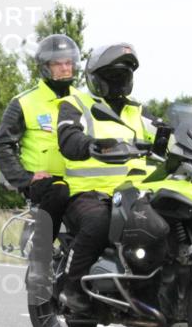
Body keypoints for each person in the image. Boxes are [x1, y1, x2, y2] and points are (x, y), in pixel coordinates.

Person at [55, 43, 158, 312]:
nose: (117, 82)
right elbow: (68, 137)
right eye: (111, 76)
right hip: (89, 194)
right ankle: (72, 287)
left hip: (135, 194)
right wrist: (89, 145)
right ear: (95, 78)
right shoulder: (75, 104)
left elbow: (165, 136)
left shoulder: (137, 110)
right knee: (98, 221)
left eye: (122, 76)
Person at [0, 35, 92, 270]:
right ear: (45, 67)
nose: (65, 68)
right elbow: (2, 145)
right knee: (58, 191)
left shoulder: (86, 101)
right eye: (58, 63)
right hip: (47, 186)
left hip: (83, 182)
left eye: (68, 62)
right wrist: (25, 179)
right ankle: (41, 254)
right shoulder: (24, 102)